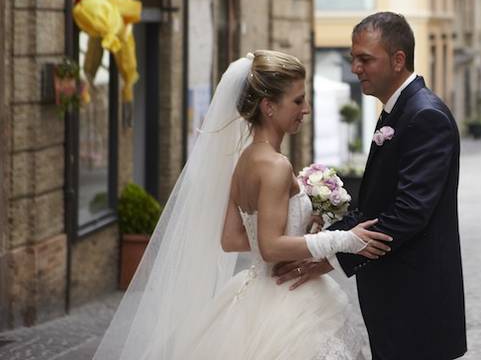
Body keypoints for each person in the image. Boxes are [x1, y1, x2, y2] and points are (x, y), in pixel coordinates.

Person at [93, 50, 392, 360]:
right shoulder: (275, 166)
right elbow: (270, 248)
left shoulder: (245, 161)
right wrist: (345, 239)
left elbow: (231, 239)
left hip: (253, 293)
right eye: (298, 101)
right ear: (269, 107)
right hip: (286, 300)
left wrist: (303, 223)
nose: (306, 109)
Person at [277, 12, 467, 360]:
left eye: (365, 59)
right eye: (353, 59)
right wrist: (326, 243)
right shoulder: (397, 111)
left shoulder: (425, 116)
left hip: (416, 302)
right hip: (396, 299)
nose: (355, 68)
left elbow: (408, 213)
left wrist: (332, 254)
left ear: (398, 60)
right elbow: (377, 205)